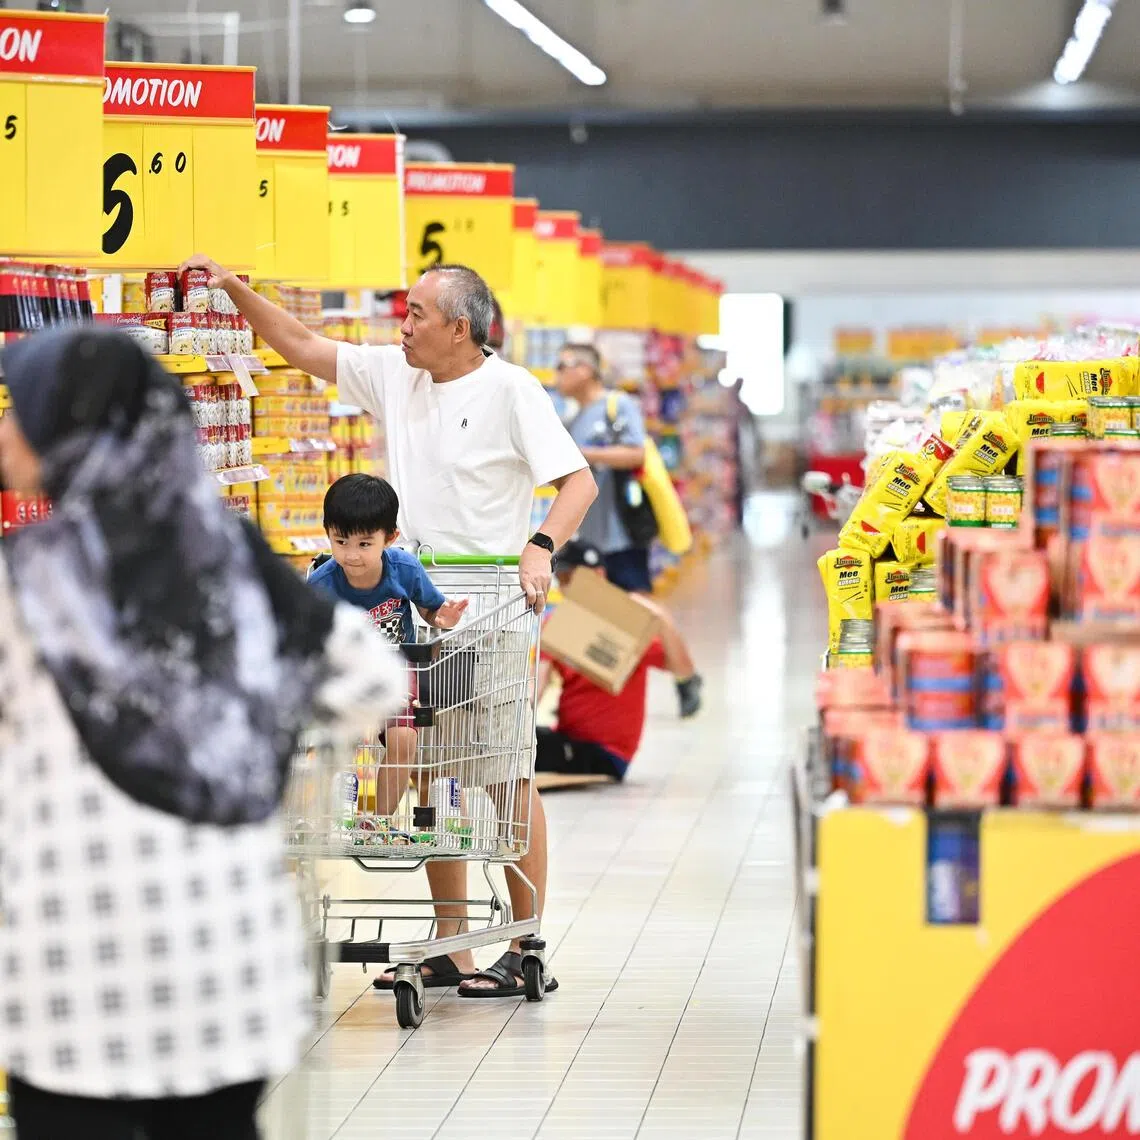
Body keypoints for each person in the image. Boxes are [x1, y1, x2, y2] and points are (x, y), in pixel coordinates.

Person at [0, 329, 406, 1139]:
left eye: (22, 413)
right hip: (227, 955)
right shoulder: (232, 562)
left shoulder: (25, 580)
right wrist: (251, 735)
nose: (7, 431)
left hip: (70, 962)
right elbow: (374, 681)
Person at [179, 253, 597, 999]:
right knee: (434, 775)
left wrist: (540, 547)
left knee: (501, 776)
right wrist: (233, 290)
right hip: (413, 602)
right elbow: (302, 347)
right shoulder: (394, 374)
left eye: (416, 315)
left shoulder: (511, 391)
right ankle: (453, 946)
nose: (401, 327)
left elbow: (579, 482)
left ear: (460, 328)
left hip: (490, 604)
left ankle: (523, 942)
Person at [555, 342, 703, 718]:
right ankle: (598, 695)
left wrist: (586, 454)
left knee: (641, 606)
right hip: (590, 534)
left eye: (564, 365)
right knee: (603, 612)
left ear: (586, 369)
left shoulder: (617, 406)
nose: (557, 374)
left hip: (621, 530)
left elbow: (636, 453)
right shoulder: (575, 417)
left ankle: (686, 676)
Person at [309, 472, 468, 816]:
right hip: (346, 671)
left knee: (404, 739)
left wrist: (442, 617)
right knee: (338, 740)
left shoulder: (404, 569)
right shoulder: (322, 583)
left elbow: (430, 608)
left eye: (364, 544)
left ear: (390, 538)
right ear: (328, 534)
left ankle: (380, 821)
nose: (351, 555)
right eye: (340, 542)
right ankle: (336, 817)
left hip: (398, 667)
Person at [536, 542, 700, 781]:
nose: (566, 588)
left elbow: (681, 668)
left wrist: (659, 617)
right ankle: (458, 802)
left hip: (607, 754)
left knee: (525, 757)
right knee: (508, 750)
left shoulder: (625, 627)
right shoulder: (557, 624)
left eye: (572, 578)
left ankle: (458, 802)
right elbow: (537, 685)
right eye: (562, 579)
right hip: (566, 739)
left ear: (599, 576)